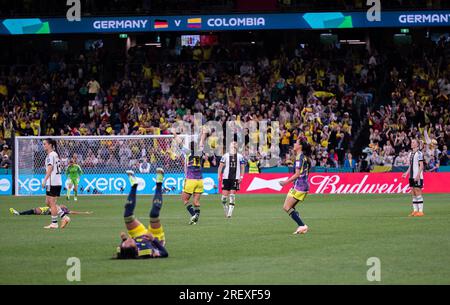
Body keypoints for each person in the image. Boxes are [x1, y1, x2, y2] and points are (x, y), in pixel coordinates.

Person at [116, 171, 168, 259]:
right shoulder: (146, 252)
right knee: (154, 215)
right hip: (155, 238)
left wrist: (124, 240)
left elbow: (124, 250)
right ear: (135, 248)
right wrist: (153, 239)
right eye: (128, 242)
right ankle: (159, 183)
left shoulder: (124, 250)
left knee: (127, 216)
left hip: (138, 235)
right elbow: (165, 253)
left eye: (124, 244)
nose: (127, 240)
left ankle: (134, 185)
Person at [172, 129, 207, 225]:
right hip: (200, 180)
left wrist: (175, 134)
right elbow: (201, 142)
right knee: (196, 202)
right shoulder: (200, 152)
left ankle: (193, 215)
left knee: (185, 199)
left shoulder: (188, 152)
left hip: (191, 179)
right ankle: (196, 218)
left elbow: (180, 142)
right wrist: (204, 133)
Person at [279, 139, 312, 235]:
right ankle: (300, 224)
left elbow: (297, 174)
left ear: (300, 146)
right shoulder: (303, 157)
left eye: (296, 143)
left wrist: (285, 182)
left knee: (286, 207)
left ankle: (302, 225)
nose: (294, 144)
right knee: (290, 207)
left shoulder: (299, 158)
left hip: (300, 186)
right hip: (301, 185)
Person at [42, 138, 66, 229]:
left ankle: (54, 223)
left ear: (50, 145)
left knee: (51, 203)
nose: (43, 145)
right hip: (55, 181)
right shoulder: (54, 154)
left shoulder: (51, 155)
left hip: (53, 182)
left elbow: (50, 169)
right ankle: (64, 217)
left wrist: (44, 180)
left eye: (45, 144)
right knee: (48, 202)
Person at [217, 142, 246, 218]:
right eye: (232, 144)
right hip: (226, 178)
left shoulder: (240, 156)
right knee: (223, 199)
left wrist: (241, 177)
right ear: (229, 146)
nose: (234, 145)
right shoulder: (225, 156)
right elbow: (220, 166)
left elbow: (243, 167)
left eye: (235, 144)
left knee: (232, 195)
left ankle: (230, 213)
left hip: (235, 178)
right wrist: (219, 175)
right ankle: (225, 208)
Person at [9, 205, 92, 229]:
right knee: (33, 211)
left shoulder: (61, 209)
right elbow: (73, 212)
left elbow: (73, 212)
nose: (63, 205)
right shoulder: (60, 208)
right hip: (48, 210)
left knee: (33, 210)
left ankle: (18, 213)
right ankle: (64, 221)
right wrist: (85, 212)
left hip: (46, 210)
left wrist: (84, 212)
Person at [402, 139, 425, 217]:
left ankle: (421, 211)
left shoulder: (419, 153)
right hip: (411, 176)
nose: (411, 143)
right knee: (413, 193)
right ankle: (415, 211)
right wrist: (406, 173)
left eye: (413, 142)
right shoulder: (410, 153)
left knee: (418, 191)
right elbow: (410, 165)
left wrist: (418, 175)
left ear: (417, 144)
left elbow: (421, 165)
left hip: (417, 175)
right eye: (411, 142)